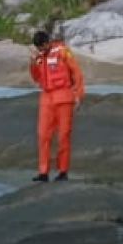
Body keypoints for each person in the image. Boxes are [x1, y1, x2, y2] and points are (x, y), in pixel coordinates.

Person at [28, 30, 85, 182]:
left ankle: (63, 171)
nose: (41, 50)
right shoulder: (39, 57)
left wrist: (78, 94)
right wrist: (33, 62)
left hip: (64, 96)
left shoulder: (62, 52)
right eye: (39, 48)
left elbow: (77, 73)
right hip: (47, 97)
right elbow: (36, 77)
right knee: (42, 135)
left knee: (63, 135)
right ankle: (43, 172)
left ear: (48, 42)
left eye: (42, 47)